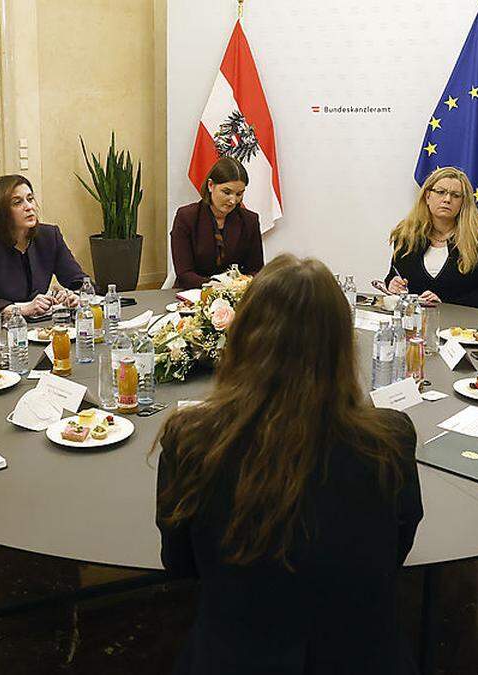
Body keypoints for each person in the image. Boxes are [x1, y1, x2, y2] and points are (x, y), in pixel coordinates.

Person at [155, 254, 423, 674]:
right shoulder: (390, 438)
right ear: (341, 343)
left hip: (232, 656)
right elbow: (395, 550)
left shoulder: (190, 438)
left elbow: (180, 563)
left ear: (244, 336)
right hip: (363, 656)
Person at [0, 174, 86, 320]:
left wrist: (74, 295)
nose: (29, 207)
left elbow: (80, 280)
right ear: (1, 211)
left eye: (30, 199)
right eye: (17, 202)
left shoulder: (50, 236)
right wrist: (21, 309)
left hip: (40, 327)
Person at [385, 166, 478, 309]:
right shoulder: (407, 235)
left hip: (462, 325)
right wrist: (393, 283)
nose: (447, 199)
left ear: (463, 203)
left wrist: (445, 304)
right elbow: (393, 274)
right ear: (427, 196)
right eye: (440, 192)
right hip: (414, 322)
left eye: (456, 195)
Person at [171, 156, 264, 290]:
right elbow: (184, 274)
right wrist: (213, 285)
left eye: (239, 194)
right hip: (193, 293)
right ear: (210, 186)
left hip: (235, 294)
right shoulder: (186, 217)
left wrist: (243, 283)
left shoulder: (250, 220)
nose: (233, 200)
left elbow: (256, 270)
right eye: (227, 192)